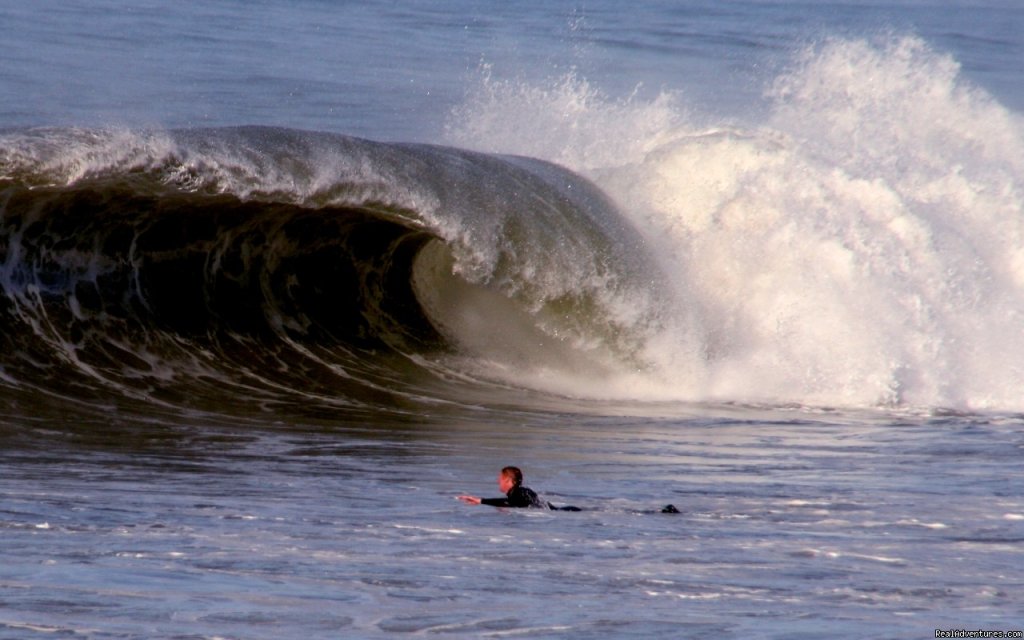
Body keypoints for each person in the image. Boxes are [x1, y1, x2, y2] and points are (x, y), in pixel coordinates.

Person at [458, 466, 550, 508]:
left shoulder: (519, 492)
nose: (498, 481)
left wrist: (480, 501)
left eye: (500, 478)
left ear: (507, 480)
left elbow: (509, 503)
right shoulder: (522, 491)